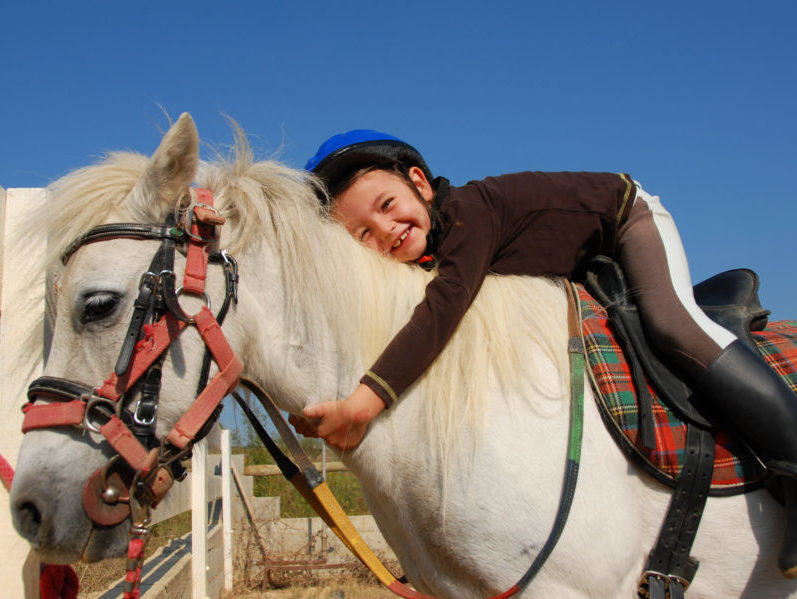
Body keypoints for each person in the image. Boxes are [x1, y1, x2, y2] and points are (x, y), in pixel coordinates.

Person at [293, 129, 797, 576]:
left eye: (386, 205)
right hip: (578, 261)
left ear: (421, 184)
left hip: (627, 219)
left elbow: (441, 311)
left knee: (673, 327)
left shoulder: (469, 216)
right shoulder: (435, 246)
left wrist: (366, 400)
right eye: (363, 234)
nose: (385, 230)